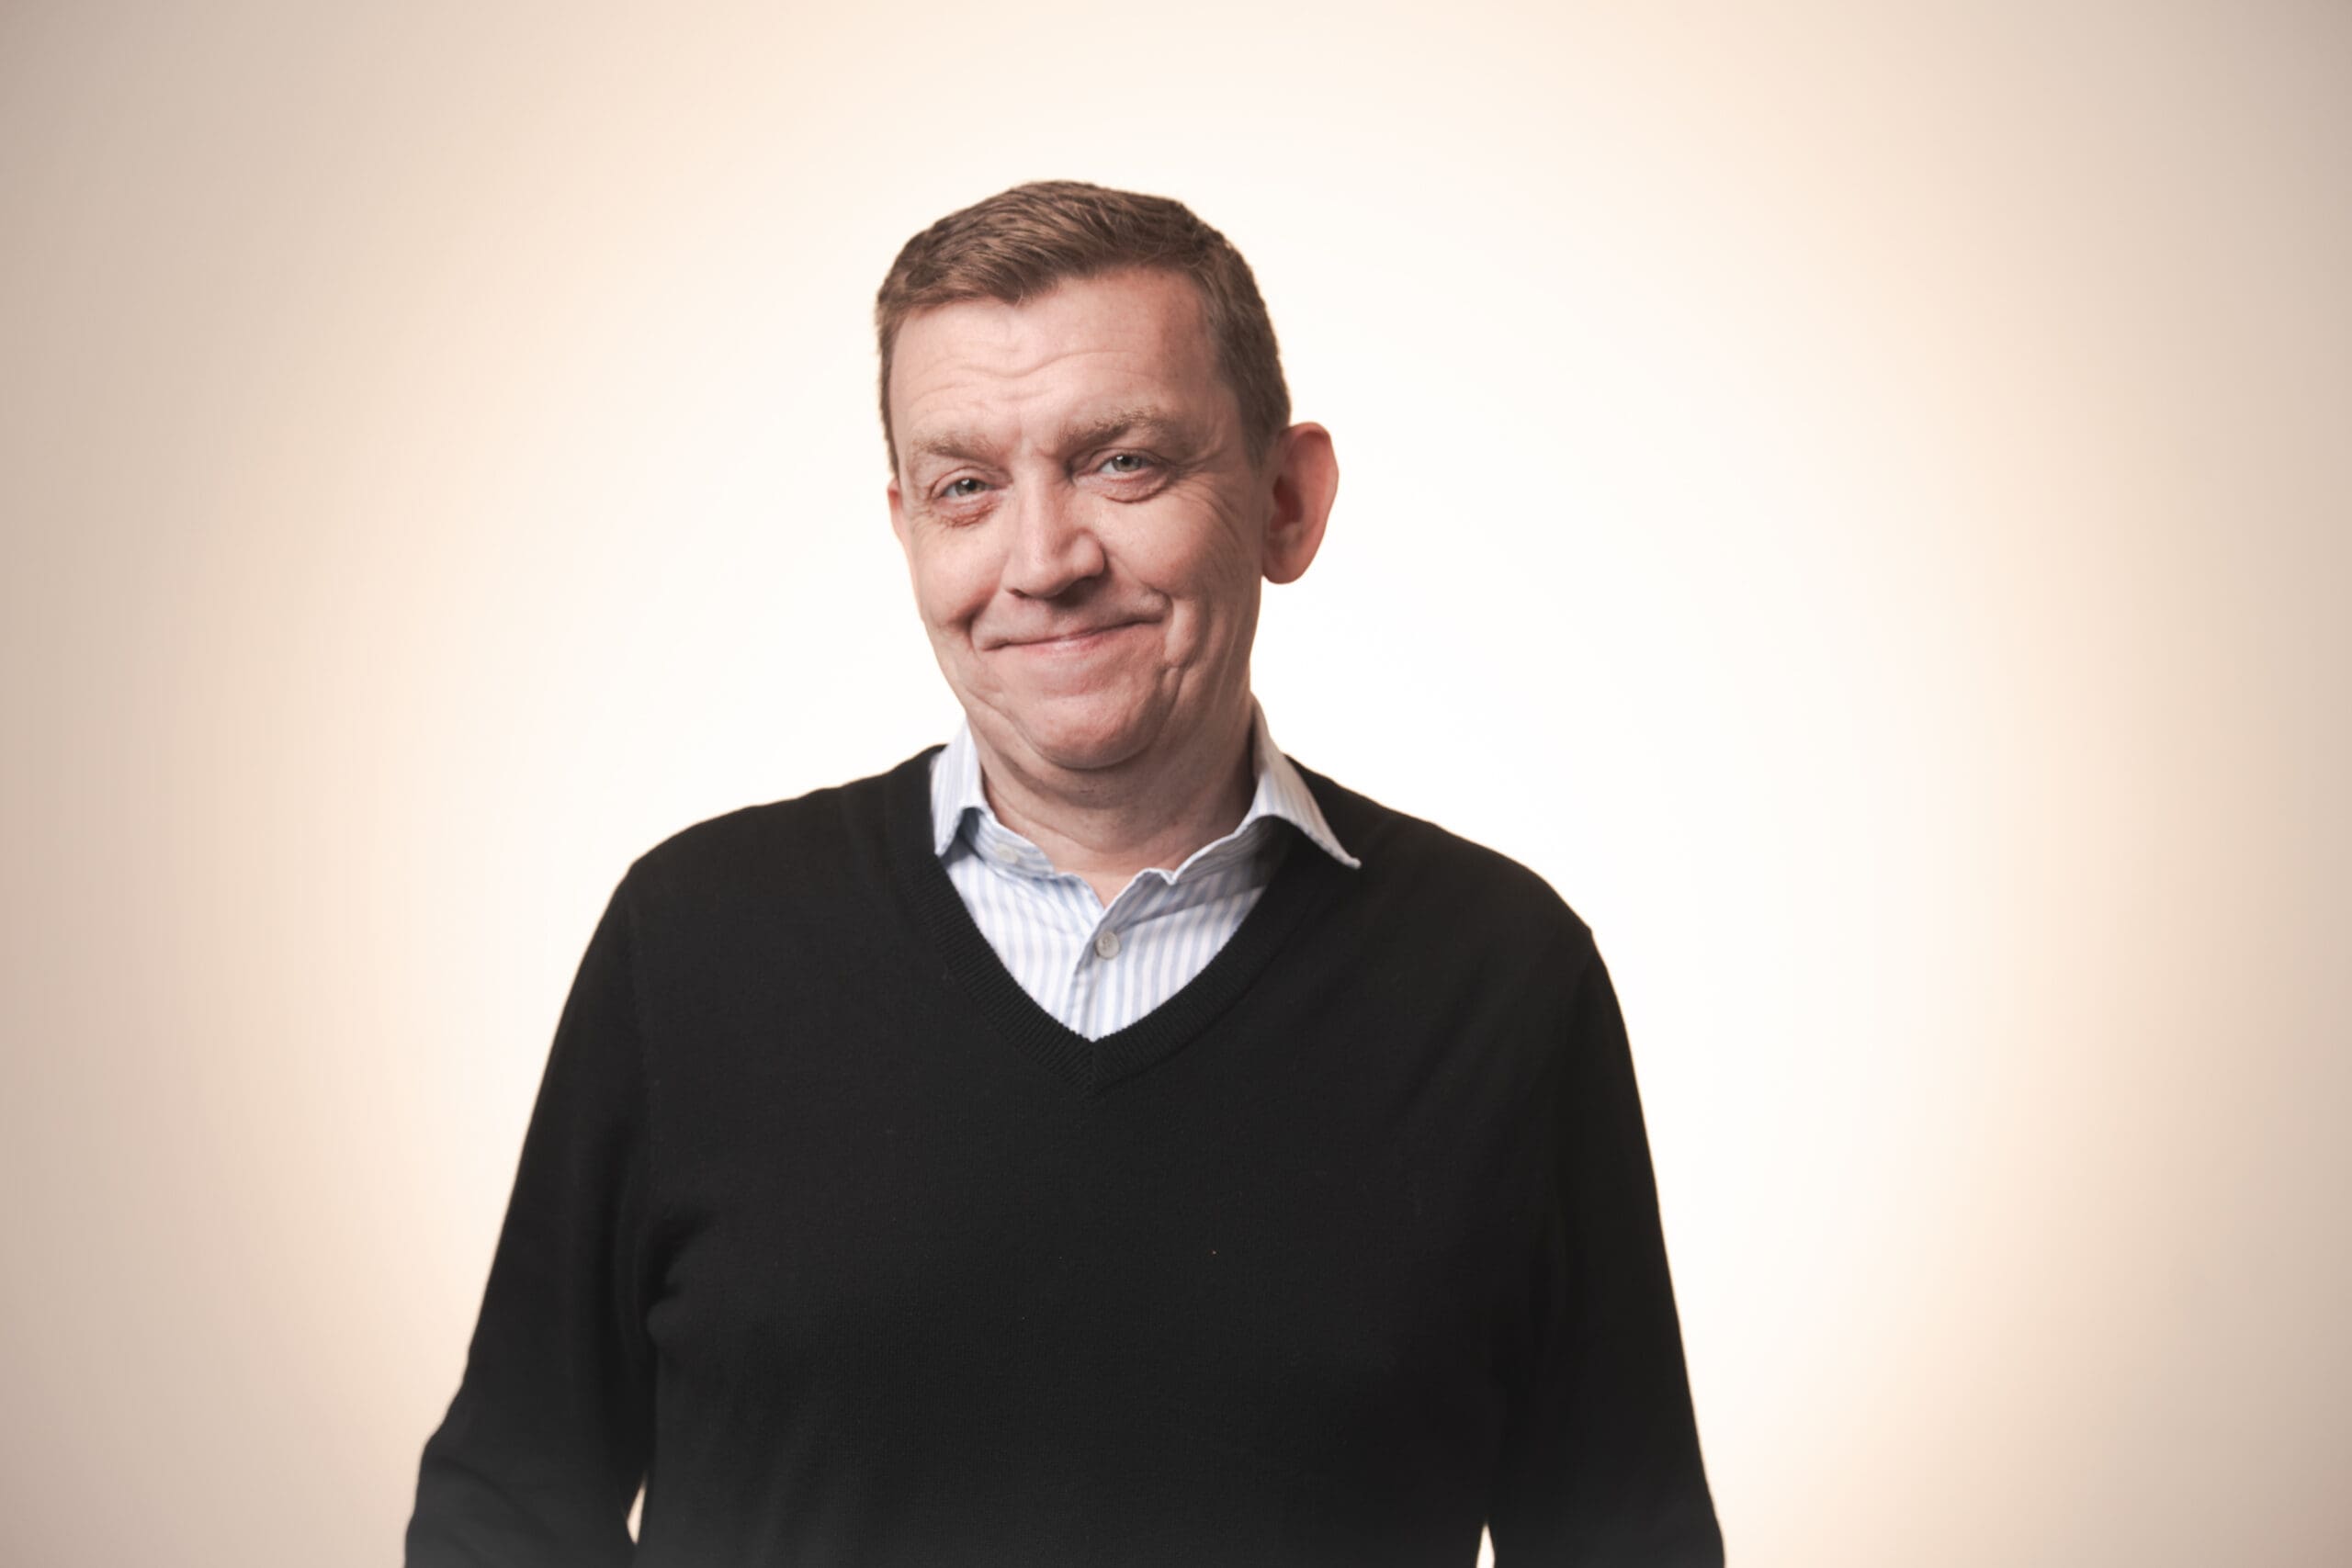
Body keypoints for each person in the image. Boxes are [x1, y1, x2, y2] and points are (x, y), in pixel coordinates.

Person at [405, 179, 1724, 1566]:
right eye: (966, 487)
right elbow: (507, 1508)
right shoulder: (692, 945)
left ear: (1286, 502)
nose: (1043, 562)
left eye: (1123, 462)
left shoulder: (1503, 980)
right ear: (909, 528)